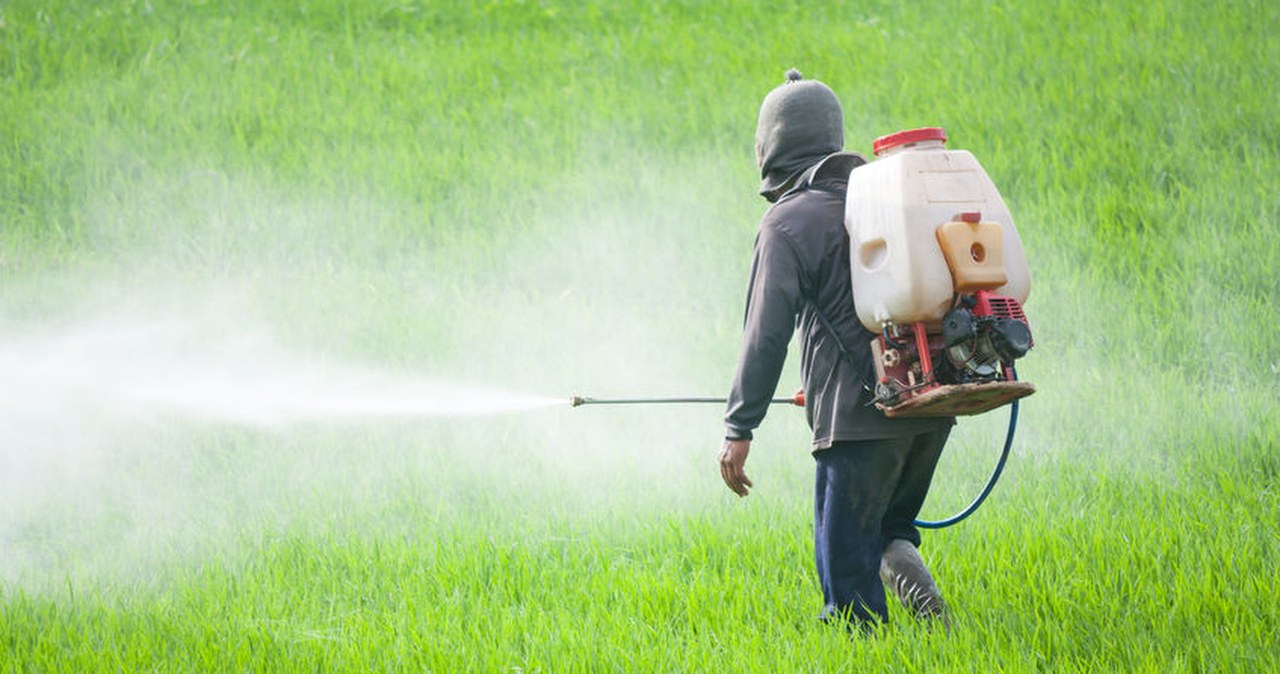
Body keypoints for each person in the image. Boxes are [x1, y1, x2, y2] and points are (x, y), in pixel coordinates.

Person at [718, 68, 955, 630]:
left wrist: (738, 428)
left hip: (858, 424)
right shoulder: (882, 200)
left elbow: (765, 334)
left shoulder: (788, 221)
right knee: (888, 529)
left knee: (847, 593)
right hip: (931, 405)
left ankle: (863, 650)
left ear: (772, 145)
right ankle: (937, 624)